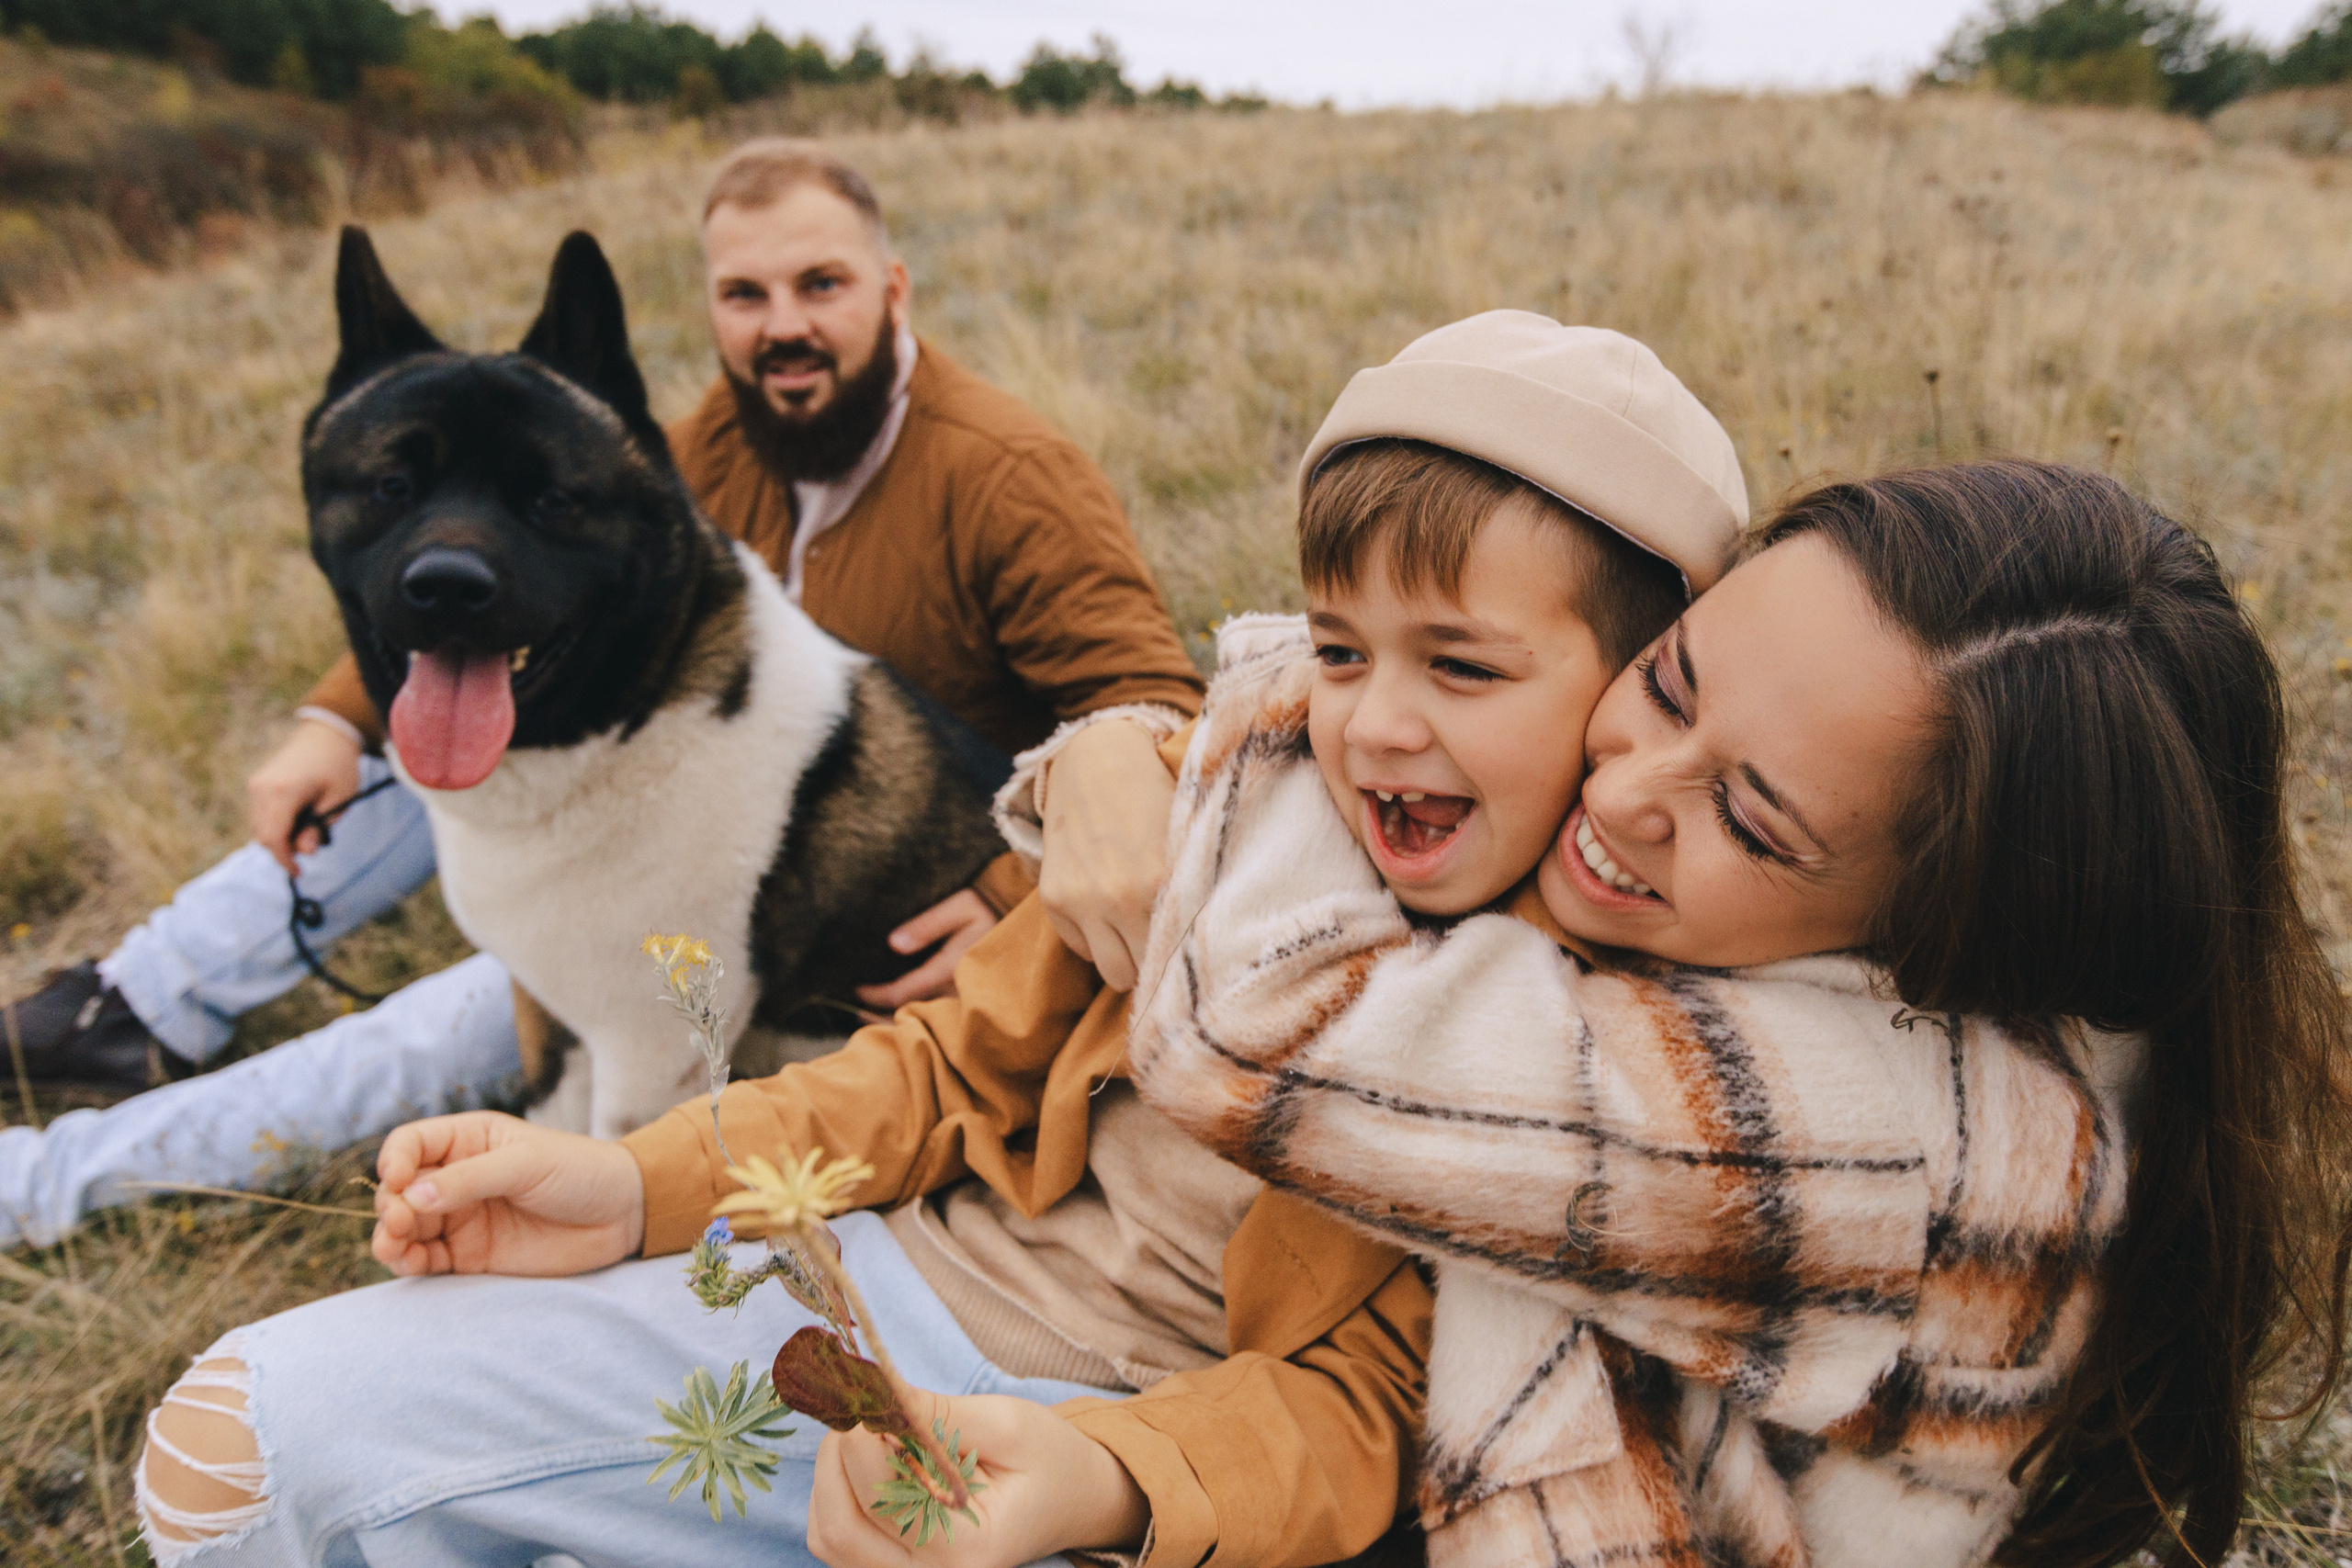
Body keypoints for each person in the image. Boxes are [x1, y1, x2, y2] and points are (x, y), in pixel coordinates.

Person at [129, 315, 1747, 1566]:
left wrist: (1107, 1481)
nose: (1377, 722)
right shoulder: (1234, 801)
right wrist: (636, 1183)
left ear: (1641, 689)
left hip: (1105, 1456)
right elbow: (941, 1072)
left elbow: (1381, 1413)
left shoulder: (1621, 1051)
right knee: (228, 1450)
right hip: (872, 1277)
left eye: (1462, 666)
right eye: (1338, 648)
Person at [1102, 461, 2352, 1564]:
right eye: (1669, 679)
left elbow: (1252, 1023)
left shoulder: (1892, 1138)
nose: (1623, 793)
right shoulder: (1816, 896)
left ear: (1944, 929)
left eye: (1751, 821)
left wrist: (1263, 698)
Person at [0, 139, 1201, 1247]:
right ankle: (143, 998)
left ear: (893, 289)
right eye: (745, 295)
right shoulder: (705, 443)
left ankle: (49, 1182)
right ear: (712, 308)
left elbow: (1156, 715)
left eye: (821, 285)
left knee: (405, 1042)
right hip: (637, 792)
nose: (784, 325)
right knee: (407, 742)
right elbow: (490, 542)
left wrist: (1012, 888)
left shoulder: (1009, 476)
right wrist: (334, 717)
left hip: (790, 896)